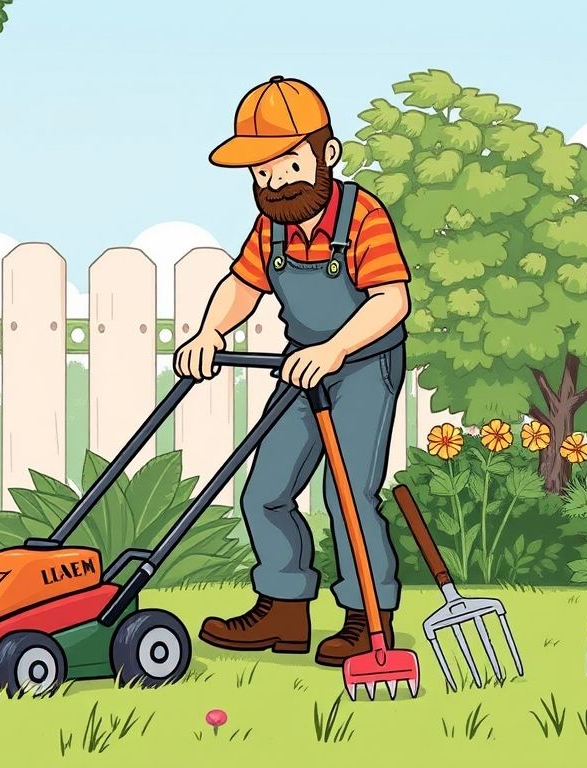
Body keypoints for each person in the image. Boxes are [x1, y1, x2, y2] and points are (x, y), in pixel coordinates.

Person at [175, 76, 411, 667]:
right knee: (265, 491)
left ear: (326, 154)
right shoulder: (271, 224)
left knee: (349, 494)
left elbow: (391, 300)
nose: (273, 182)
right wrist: (210, 332)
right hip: (299, 365)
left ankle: (366, 615)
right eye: (260, 172)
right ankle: (282, 611)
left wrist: (335, 349)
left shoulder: (362, 216)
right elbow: (242, 283)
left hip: (362, 366)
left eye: (286, 164)